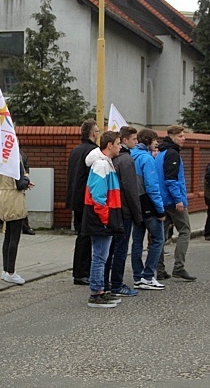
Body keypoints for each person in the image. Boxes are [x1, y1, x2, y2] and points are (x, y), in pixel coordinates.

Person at [82, 131, 124, 307]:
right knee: (100, 256)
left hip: (102, 216)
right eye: (118, 143)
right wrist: (106, 219)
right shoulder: (101, 165)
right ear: (109, 145)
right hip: (100, 218)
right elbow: (98, 196)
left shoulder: (105, 163)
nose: (120, 146)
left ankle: (101, 290)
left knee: (101, 255)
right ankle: (96, 293)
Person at [155, 125, 197, 281]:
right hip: (172, 201)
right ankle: (179, 267)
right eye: (180, 136)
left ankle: (159, 269)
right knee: (185, 231)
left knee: (161, 236)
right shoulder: (172, 154)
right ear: (172, 137)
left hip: (161, 200)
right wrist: (178, 199)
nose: (183, 138)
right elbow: (171, 179)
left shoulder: (161, 152)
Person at [107, 126, 142, 297]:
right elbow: (131, 190)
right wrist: (138, 214)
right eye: (134, 139)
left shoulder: (112, 159)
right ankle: (116, 284)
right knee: (120, 248)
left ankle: (106, 282)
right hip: (124, 211)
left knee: (110, 248)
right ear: (125, 140)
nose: (137, 142)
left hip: (113, 209)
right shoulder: (126, 160)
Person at [130, 129, 166, 290]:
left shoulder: (130, 155)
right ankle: (148, 276)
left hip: (134, 203)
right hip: (147, 203)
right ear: (148, 141)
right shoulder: (147, 158)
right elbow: (152, 186)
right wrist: (160, 210)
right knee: (158, 239)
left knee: (137, 240)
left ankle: (138, 276)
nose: (156, 143)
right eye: (154, 140)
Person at [65, 120, 99, 285]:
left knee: (81, 235)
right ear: (93, 134)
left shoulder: (75, 150)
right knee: (86, 236)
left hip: (75, 198)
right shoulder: (94, 152)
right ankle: (82, 272)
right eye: (97, 131)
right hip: (87, 199)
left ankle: (80, 271)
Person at [0, 160, 33, 285]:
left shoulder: (1, 162)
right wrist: (27, 179)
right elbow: (19, 184)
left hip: (4, 196)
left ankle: (5, 270)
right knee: (14, 237)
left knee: (7, 236)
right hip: (14, 198)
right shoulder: (15, 162)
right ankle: (11, 272)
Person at [20, 150, 35, 235]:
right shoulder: (21, 155)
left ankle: (25, 227)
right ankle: (25, 227)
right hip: (18, 187)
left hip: (14, 187)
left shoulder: (21, 155)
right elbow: (26, 168)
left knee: (21, 208)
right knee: (21, 208)